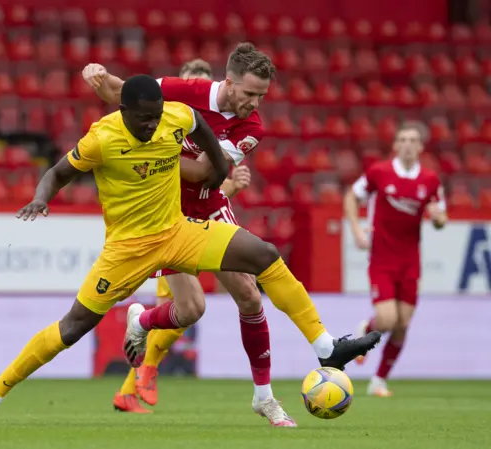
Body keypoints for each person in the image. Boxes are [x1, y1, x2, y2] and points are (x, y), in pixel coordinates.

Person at [0, 74, 381, 425]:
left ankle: (326, 347)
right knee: (73, 327)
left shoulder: (174, 116)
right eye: (143, 119)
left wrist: (216, 168)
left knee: (264, 254)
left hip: (177, 232)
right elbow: (58, 172)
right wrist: (43, 197)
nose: (152, 125)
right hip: (128, 249)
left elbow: (198, 125)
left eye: (155, 117)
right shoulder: (102, 138)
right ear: (124, 111)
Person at [83, 44, 376, 426]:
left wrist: (154, 156)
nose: (254, 104)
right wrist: (98, 78)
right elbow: (123, 93)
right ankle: (142, 323)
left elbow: (206, 172)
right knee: (190, 310)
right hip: (165, 215)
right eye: (250, 93)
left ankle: (265, 396)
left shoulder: (250, 128)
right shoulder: (183, 90)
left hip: (209, 210)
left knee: (251, 295)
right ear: (229, 81)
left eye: (262, 96)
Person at [109, 58, 253, 416]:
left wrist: (229, 186)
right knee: (184, 311)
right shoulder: (162, 124)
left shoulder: (215, 127)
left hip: (202, 216)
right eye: (191, 83)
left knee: (197, 307)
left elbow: (207, 182)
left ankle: (132, 386)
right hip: (168, 220)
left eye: (202, 84)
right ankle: (139, 378)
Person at [344, 122, 447, 397]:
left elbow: (441, 218)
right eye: (403, 139)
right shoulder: (380, 173)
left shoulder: (430, 180)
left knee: (403, 324)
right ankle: (368, 328)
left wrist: (438, 219)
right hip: (382, 258)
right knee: (388, 320)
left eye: (414, 140)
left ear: (421, 147)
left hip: (410, 260)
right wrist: (356, 228)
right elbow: (352, 197)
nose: (408, 144)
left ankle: (379, 381)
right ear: (396, 145)